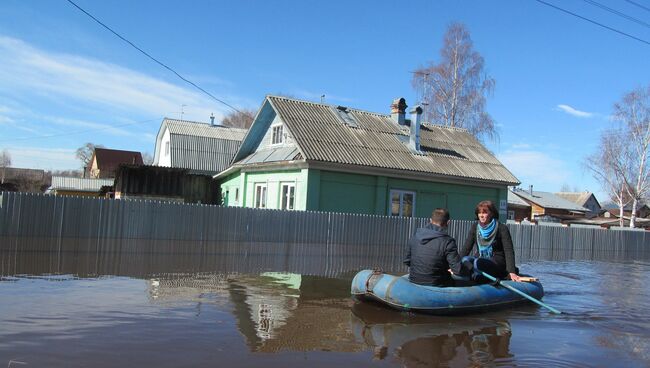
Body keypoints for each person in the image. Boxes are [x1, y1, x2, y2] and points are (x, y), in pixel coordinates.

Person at [460, 200, 522, 283]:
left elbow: (509, 251)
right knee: (465, 259)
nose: (481, 215)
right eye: (479, 213)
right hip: (480, 258)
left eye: (484, 212)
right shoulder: (475, 227)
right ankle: (473, 277)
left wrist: (511, 271)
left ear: (492, 213)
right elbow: (466, 248)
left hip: (496, 261)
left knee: (478, 262)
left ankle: (485, 276)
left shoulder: (501, 228)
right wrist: (455, 265)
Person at [403, 208, 464, 287]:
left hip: (414, 280)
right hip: (437, 283)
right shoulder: (448, 241)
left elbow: (407, 261)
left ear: (430, 220)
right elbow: (457, 269)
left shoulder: (415, 237)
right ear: (448, 222)